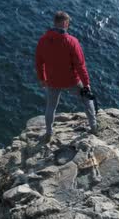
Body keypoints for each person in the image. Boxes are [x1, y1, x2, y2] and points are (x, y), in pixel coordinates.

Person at [35, 11, 97, 142]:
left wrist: (42, 78)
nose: (68, 25)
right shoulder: (72, 41)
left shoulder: (43, 40)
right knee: (87, 100)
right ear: (64, 23)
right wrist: (86, 84)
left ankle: (49, 133)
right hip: (71, 80)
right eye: (68, 23)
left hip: (52, 80)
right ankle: (93, 127)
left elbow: (39, 62)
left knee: (51, 107)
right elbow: (80, 65)